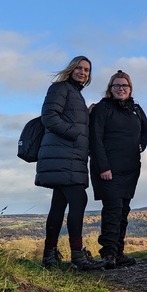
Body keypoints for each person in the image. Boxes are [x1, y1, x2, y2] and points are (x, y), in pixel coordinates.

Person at [37, 56, 105, 270]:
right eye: (79, 68)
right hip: (63, 155)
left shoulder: (75, 94)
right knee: (78, 200)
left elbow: (68, 116)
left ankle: (49, 255)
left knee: (58, 205)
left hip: (71, 157)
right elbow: (49, 116)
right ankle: (77, 256)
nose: (82, 72)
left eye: (86, 70)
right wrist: (75, 133)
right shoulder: (60, 88)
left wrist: (86, 114)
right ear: (71, 69)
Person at [89, 70, 147, 269]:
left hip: (131, 168)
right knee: (113, 211)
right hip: (108, 169)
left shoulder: (136, 109)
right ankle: (108, 253)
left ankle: (119, 252)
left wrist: (142, 144)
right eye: (116, 85)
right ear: (110, 89)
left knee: (123, 211)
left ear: (130, 89)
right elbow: (95, 139)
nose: (121, 89)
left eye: (124, 86)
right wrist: (103, 167)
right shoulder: (102, 108)